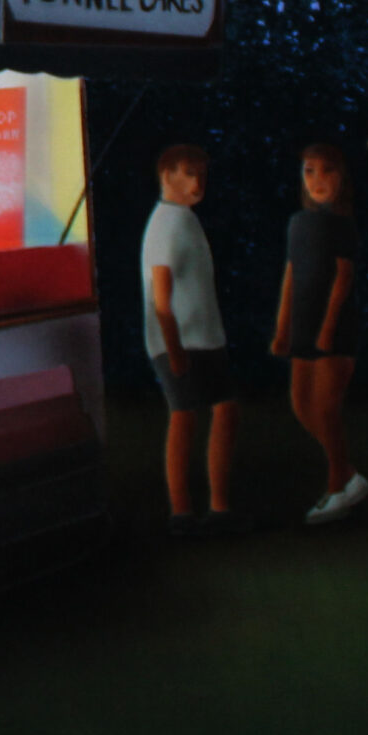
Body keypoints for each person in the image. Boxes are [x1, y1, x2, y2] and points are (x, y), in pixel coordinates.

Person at [143, 144, 243, 534]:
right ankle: (182, 514)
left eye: (201, 173)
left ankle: (218, 509)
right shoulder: (167, 223)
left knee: (223, 410)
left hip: (204, 337)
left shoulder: (184, 219)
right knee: (185, 417)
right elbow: (160, 294)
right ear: (167, 175)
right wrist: (173, 346)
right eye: (187, 172)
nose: (198, 182)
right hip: (182, 341)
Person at [270, 141, 368, 524]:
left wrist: (328, 329)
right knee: (301, 405)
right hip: (302, 325)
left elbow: (343, 278)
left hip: (335, 328)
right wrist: (282, 329)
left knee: (326, 409)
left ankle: (335, 489)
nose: (318, 180)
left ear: (341, 177)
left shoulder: (341, 224)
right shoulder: (298, 223)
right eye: (309, 172)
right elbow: (291, 276)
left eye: (326, 171)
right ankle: (348, 475)